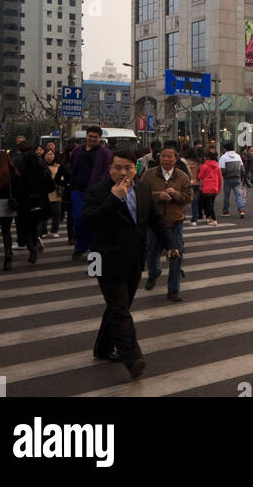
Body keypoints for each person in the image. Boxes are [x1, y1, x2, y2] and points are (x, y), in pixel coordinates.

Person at [84, 148, 180, 379]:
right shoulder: (97, 191)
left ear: (134, 170)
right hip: (102, 259)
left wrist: (170, 244)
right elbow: (91, 222)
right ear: (110, 169)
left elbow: (155, 220)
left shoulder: (143, 189)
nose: (123, 172)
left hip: (134, 258)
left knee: (119, 306)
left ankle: (103, 348)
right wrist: (114, 198)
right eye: (117, 168)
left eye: (127, 168)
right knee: (120, 309)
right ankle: (132, 357)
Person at [140, 146, 191, 302]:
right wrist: (157, 195)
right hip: (154, 223)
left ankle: (173, 289)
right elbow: (139, 194)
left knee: (176, 255)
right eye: (164, 156)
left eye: (170, 156)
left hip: (175, 222)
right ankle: (153, 274)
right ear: (158, 158)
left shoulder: (182, 177)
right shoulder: (148, 175)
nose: (167, 159)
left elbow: (189, 196)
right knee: (151, 253)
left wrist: (176, 194)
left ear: (175, 159)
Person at [69, 126, 112, 259]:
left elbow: (107, 172)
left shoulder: (105, 153)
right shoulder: (77, 150)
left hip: (95, 193)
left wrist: (100, 186)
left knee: (93, 221)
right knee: (79, 219)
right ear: (86, 136)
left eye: (95, 137)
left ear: (100, 138)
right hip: (77, 190)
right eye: (90, 136)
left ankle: (94, 250)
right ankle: (81, 246)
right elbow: (72, 167)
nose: (92, 139)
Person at [17, 144, 53, 263]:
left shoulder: (21, 171)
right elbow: (51, 187)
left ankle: (31, 248)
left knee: (26, 228)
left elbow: (17, 188)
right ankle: (35, 241)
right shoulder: (43, 170)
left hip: (25, 203)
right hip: (41, 202)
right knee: (34, 225)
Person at [219, 146, 247, 218]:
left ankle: (226, 211)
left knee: (226, 196)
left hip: (228, 179)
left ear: (225, 149)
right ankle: (241, 210)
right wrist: (242, 178)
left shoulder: (223, 157)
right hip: (237, 179)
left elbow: (222, 170)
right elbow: (242, 169)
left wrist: (225, 175)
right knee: (238, 195)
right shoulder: (238, 156)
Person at [197, 152, 222, 223]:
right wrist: (219, 189)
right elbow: (220, 179)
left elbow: (200, 176)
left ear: (207, 158)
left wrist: (198, 173)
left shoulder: (204, 166)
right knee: (210, 203)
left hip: (207, 188)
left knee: (208, 204)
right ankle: (208, 217)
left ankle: (214, 219)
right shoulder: (217, 166)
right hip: (215, 188)